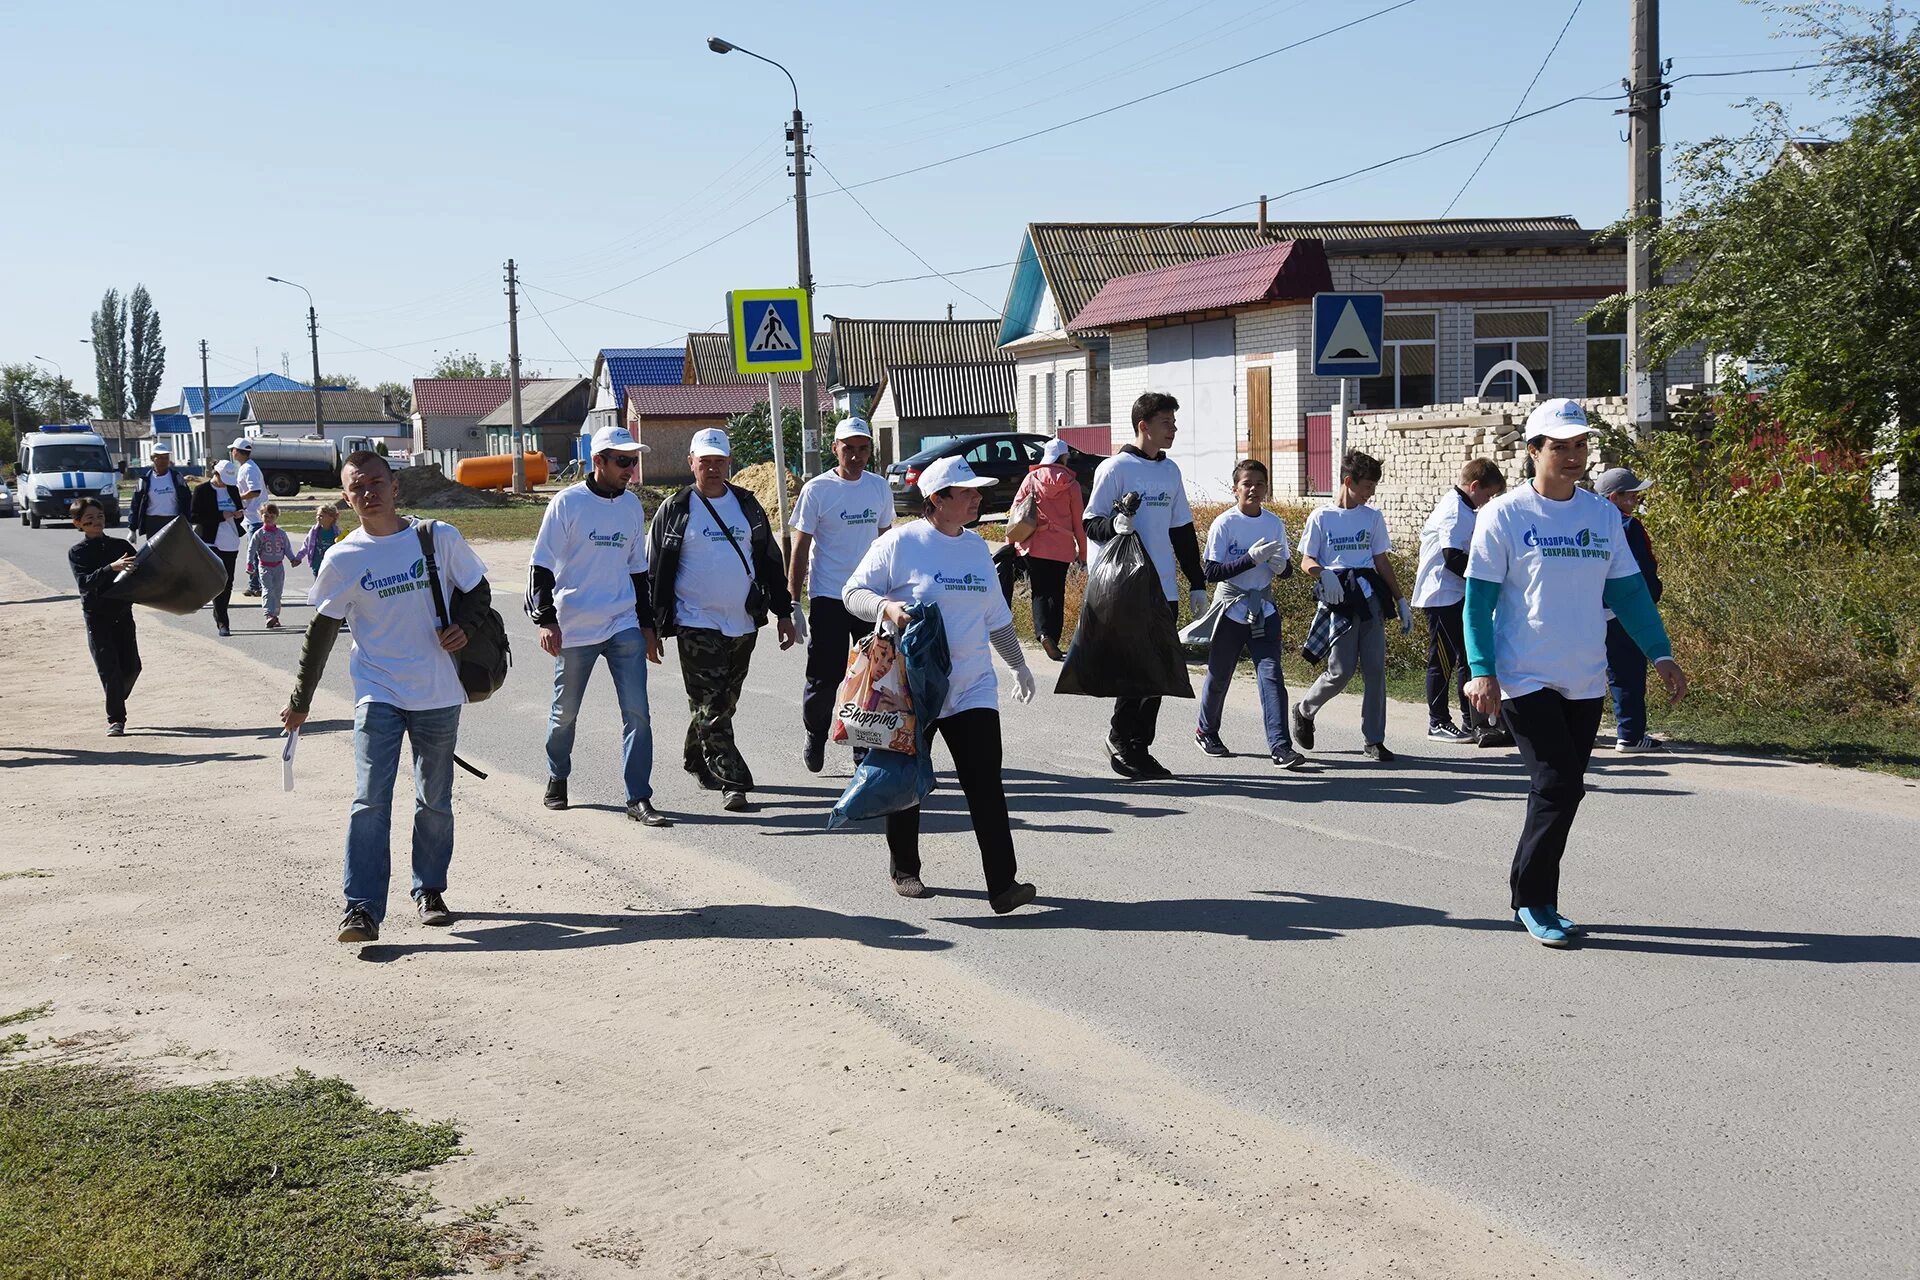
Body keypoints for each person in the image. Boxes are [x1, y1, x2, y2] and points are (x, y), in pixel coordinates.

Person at [1463, 399, 1688, 948]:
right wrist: (1482, 670)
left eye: (1580, 445)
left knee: (1561, 790)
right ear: (1534, 451)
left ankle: (1533, 895)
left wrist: (1660, 653)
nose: (1572, 456)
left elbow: (1629, 593)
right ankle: (1534, 900)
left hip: (1585, 675)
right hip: (1524, 674)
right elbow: (1477, 602)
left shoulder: (1602, 515)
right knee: (1558, 784)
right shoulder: (1505, 515)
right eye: (1559, 446)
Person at [281, 450, 490, 945]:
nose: (369, 492)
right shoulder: (343, 558)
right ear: (347, 497)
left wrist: (466, 625)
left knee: (433, 801)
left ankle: (430, 891)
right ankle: (361, 909)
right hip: (377, 690)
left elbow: (477, 591)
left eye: (376, 482)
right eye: (358, 487)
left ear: (396, 486)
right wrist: (300, 699)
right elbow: (321, 633)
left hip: (438, 691)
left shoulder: (438, 537)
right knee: (369, 799)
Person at [843, 454, 1040, 913]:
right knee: (907, 777)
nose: (978, 497)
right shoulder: (900, 543)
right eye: (967, 491)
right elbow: (852, 593)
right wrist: (886, 609)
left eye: (977, 490)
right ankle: (905, 868)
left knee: (985, 782)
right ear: (937, 499)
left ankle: (1002, 885)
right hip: (911, 687)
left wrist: (1018, 666)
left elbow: (997, 620)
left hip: (972, 686)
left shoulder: (976, 547)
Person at [646, 427, 797, 813]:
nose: (712, 468)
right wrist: (654, 625)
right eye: (704, 461)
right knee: (712, 707)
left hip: (743, 622)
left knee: (721, 703)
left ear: (729, 462)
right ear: (691, 463)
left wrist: (784, 612)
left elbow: (769, 562)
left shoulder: (747, 505)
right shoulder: (676, 509)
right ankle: (734, 782)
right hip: (695, 622)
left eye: (719, 461)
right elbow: (655, 570)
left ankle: (696, 758)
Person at [527, 424, 671, 828]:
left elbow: (638, 571)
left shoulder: (630, 507)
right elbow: (540, 564)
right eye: (623, 461)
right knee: (565, 714)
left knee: (638, 712)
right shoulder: (567, 504)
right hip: (575, 626)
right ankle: (558, 775)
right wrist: (546, 619)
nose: (631, 469)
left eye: (634, 461)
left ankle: (638, 797)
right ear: (598, 462)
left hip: (622, 621)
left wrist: (647, 627)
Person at [1084, 392, 1208, 780]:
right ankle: (1120, 739)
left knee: (1159, 671)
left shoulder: (1170, 471)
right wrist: (1114, 525)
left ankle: (1141, 746)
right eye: (1167, 422)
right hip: (1126, 587)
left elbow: (1183, 530)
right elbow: (1091, 522)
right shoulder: (1114, 469)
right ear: (1144, 425)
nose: (1174, 428)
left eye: (1173, 422)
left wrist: (1196, 583)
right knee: (1137, 668)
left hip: (1164, 588)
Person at [1292, 449, 1413, 762]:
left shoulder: (1372, 517)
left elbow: (1381, 560)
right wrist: (1322, 574)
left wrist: (1400, 600)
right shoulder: (1322, 517)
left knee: (1375, 670)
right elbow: (1307, 558)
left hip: (1370, 595)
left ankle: (1374, 739)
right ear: (1349, 481)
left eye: (1373, 488)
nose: (1371, 494)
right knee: (1341, 671)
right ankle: (1305, 710)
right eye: (1367, 487)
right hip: (1339, 599)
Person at [788, 417, 893, 773]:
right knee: (826, 675)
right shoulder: (818, 490)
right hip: (829, 596)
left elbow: (886, 543)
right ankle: (816, 733)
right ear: (835, 449)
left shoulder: (879, 488)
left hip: (869, 597)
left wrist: (892, 593)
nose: (857, 456)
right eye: (849, 448)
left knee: (870, 675)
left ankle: (864, 749)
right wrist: (792, 602)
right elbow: (800, 548)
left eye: (863, 449)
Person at [1195, 459, 1303, 769]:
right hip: (1230, 610)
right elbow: (1212, 571)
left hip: (1264, 610)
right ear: (1235, 489)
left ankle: (1280, 746)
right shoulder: (1224, 524)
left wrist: (1282, 568)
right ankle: (1206, 731)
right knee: (1219, 676)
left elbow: (1284, 568)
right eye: (1247, 483)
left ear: (1267, 488)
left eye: (1260, 483)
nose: (1254, 488)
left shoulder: (1274, 524)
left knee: (1271, 676)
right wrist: (1249, 560)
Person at [1412, 459, 1509, 746]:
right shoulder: (1455, 509)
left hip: (1457, 594)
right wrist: (1483, 579)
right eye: (1488, 495)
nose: (1487, 502)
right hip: (1441, 595)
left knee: (1468, 657)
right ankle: (1438, 721)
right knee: (1443, 660)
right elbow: (1452, 557)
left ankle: (1473, 721)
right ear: (1474, 486)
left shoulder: (1466, 508)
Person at [1594, 466, 1666, 753]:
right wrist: (1647, 603)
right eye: (1631, 495)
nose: (1636, 500)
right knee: (1628, 672)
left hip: (1587, 610)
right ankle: (1631, 734)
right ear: (1614, 497)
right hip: (1622, 610)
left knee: (1586, 673)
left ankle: (1582, 731)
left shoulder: (1585, 523)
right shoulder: (1627, 526)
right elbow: (1642, 571)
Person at [1007, 436, 1087, 663]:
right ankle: (1054, 637)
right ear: (1062, 458)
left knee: (1039, 591)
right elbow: (1078, 521)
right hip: (1061, 548)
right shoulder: (1071, 485)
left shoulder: (1031, 479)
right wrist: (1083, 552)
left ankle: (1042, 633)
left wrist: (1010, 542)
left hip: (1034, 545)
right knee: (1056, 592)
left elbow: (1016, 511)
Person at [67, 497, 140, 736]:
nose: (96, 522)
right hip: (97, 617)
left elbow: (143, 570)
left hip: (122, 613)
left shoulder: (121, 546)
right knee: (109, 670)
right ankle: (116, 719)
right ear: (78, 523)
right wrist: (111, 568)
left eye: (99, 517)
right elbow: (85, 583)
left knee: (132, 667)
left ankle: (116, 693)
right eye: (89, 519)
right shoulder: (77, 552)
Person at [189, 464, 246, 637]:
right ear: (215, 474)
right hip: (210, 541)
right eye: (223, 480)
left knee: (228, 581)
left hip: (231, 541)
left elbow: (240, 510)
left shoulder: (233, 489)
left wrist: (239, 515)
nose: (224, 484)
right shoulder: (202, 490)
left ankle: (219, 611)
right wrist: (220, 516)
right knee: (217, 579)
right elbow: (194, 516)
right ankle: (223, 621)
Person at [226, 439, 267, 596]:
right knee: (255, 552)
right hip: (252, 515)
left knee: (255, 552)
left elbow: (255, 491)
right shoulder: (247, 467)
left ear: (238, 451)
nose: (232, 452)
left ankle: (255, 585)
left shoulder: (249, 469)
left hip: (256, 518)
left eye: (233, 449)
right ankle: (255, 584)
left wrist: (238, 498)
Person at [252, 503, 297, 630]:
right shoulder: (259, 534)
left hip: (278, 566)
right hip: (265, 566)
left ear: (276, 517)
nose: (269, 518)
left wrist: (292, 559)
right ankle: (268, 615)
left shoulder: (281, 534)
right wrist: (249, 563)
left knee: (277, 592)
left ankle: (275, 615)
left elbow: (286, 548)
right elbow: (252, 549)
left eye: (272, 516)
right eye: (266, 515)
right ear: (261, 516)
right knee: (267, 590)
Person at [127, 444, 185, 541]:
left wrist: (188, 522)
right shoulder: (145, 481)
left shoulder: (177, 477)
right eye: (160, 458)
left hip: (174, 520)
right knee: (156, 554)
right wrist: (132, 529)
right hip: (153, 522)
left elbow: (187, 499)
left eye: (166, 458)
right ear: (152, 458)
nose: (164, 461)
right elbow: (135, 504)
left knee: (174, 553)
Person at [302, 504, 343, 581]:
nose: (318, 518)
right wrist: (298, 557)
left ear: (331, 518)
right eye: (317, 515)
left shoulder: (336, 533)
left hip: (331, 566)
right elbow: (306, 545)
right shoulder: (314, 531)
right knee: (318, 588)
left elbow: (342, 548)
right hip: (317, 565)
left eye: (321, 516)